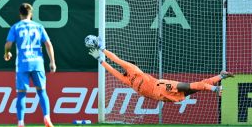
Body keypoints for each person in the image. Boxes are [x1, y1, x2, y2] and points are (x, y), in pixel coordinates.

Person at [85, 35, 234, 102]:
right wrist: (99, 60)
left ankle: (216, 89)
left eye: (126, 67)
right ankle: (221, 76)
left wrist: (102, 49)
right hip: (163, 97)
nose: (124, 69)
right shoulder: (127, 80)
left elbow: (116, 60)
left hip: (162, 85)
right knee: (195, 88)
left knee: (191, 86)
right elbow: (113, 71)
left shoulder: (134, 70)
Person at [4, 3, 56, 127]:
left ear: (20, 14)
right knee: (42, 91)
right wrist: (52, 62)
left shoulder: (15, 27)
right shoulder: (38, 27)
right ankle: (47, 118)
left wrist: (6, 53)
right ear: (31, 14)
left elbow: (8, 44)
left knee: (21, 94)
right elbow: (48, 44)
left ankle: (21, 122)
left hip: (23, 63)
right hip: (37, 63)